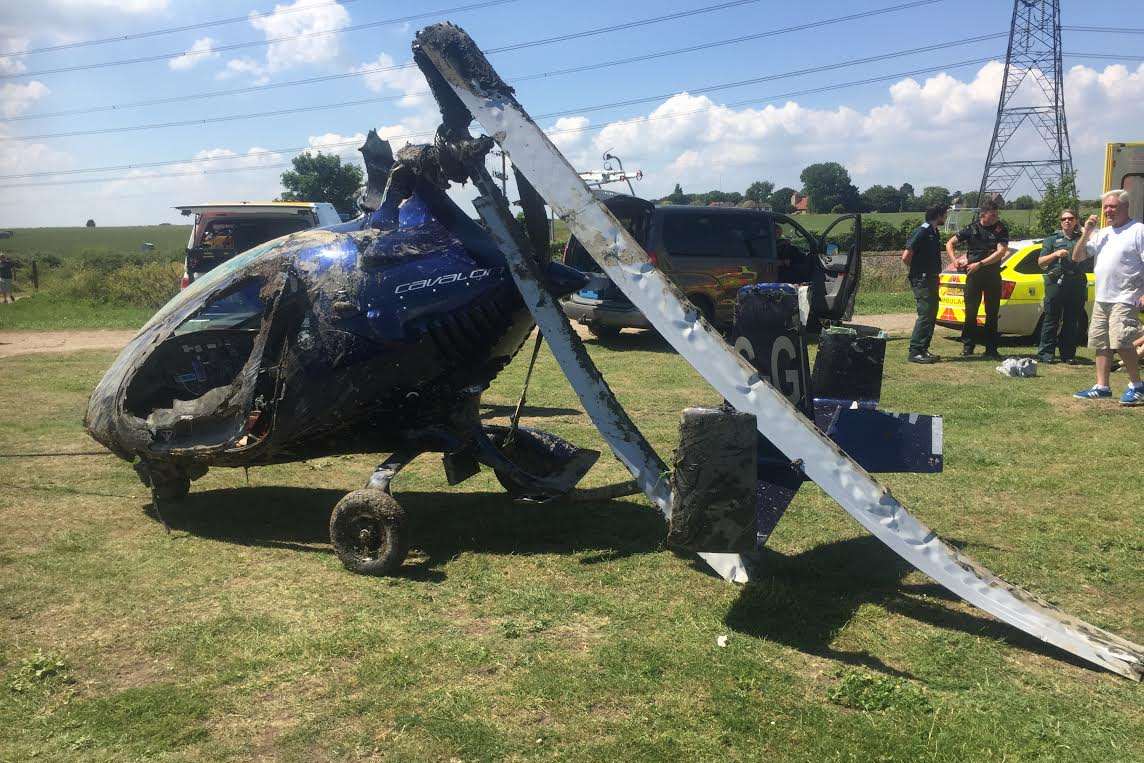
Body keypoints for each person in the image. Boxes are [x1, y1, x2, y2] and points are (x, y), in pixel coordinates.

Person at [1071, 190, 1144, 406]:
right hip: (1103, 297)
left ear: (1125, 207)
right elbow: (1077, 257)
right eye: (1105, 207)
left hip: (1126, 295)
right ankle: (1102, 386)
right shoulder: (1102, 233)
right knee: (1101, 342)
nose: (1108, 211)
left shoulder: (1138, 230)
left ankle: (1137, 387)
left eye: (1112, 207)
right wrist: (1087, 233)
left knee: (1122, 341)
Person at [945, 201, 1008, 359]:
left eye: (996, 214)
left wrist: (980, 264)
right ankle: (968, 346)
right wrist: (954, 261)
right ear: (983, 215)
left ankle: (991, 349)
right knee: (971, 312)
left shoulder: (1001, 229)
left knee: (992, 312)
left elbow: (1001, 252)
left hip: (991, 275)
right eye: (992, 214)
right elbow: (950, 243)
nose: (995, 217)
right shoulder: (972, 228)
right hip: (973, 276)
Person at [1036, 208, 1086, 364]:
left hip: (1076, 283)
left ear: (1076, 220)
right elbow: (1041, 262)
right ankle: (1046, 354)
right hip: (1055, 283)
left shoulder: (1082, 238)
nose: (1067, 221)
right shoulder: (1052, 239)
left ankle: (1068, 354)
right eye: (1064, 219)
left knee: (1072, 320)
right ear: (1060, 221)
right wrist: (1055, 254)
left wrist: (1085, 230)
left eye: (1071, 218)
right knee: (1051, 319)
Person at [901, 203, 949, 363]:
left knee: (931, 313)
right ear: (939, 215)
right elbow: (906, 256)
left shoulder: (934, 232)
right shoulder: (922, 231)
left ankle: (923, 349)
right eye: (945, 214)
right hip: (922, 279)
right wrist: (917, 270)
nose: (946, 216)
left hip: (931, 278)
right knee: (925, 314)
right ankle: (915, 351)